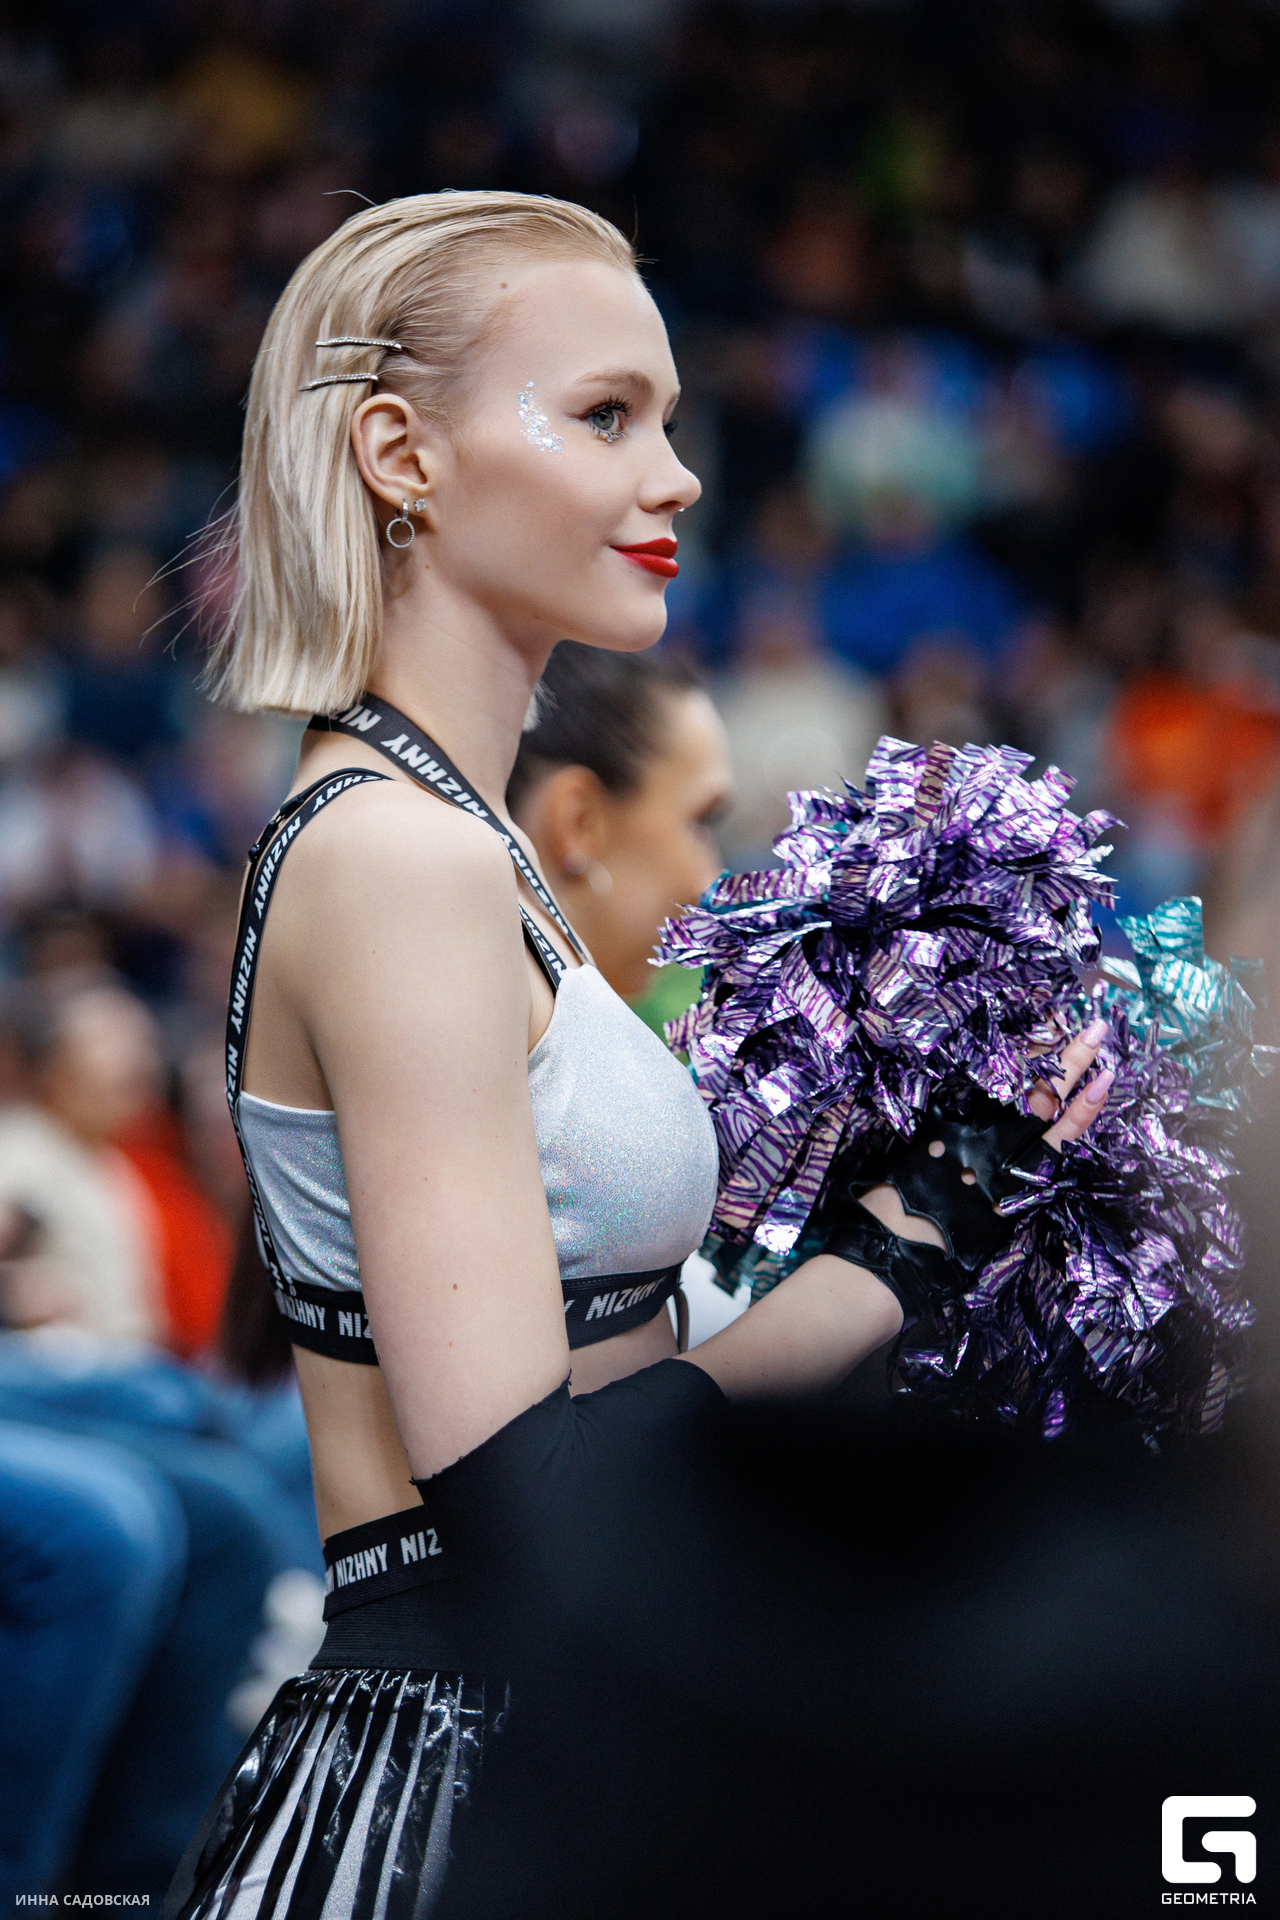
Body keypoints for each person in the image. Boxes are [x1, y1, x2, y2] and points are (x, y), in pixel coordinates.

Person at [165, 190, 1109, 1918]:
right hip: (459, 1771)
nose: (675, 477)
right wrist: (910, 1242)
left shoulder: (454, 835)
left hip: (549, 1728)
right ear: (400, 455)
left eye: (670, 422)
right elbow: (530, 1491)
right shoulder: (401, 857)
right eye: (606, 416)